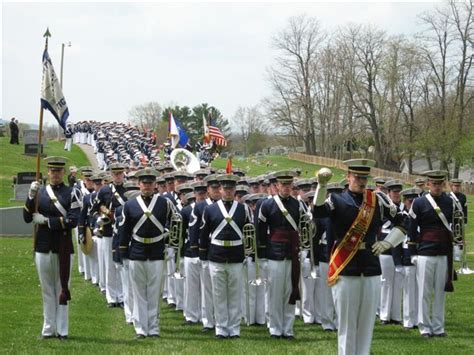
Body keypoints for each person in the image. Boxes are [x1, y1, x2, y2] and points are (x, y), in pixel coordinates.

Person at [312, 159, 406, 355]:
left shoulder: (377, 200)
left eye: (364, 177)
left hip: (371, 266)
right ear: (348, 177)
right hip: (346, 267)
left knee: (366, 324)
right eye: (357, 177)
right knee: (346, 323)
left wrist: (389, 242)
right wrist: (321, 185)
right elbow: (319, 210)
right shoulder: (336, 199)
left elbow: (402, 220)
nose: (361, 181)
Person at [23, 156, 80, 340]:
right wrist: (31, 196)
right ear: (47, 172)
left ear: (63, 173)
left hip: (63, 246)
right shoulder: (40, 193)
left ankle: (62, 330)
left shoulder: (72, 193)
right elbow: (26, 217)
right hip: (43, 246)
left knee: (62, 287)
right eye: (52, 171)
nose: (55, 174)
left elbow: (72, 220)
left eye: (58, 171)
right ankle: (48, 329)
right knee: (47, 289)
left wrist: (47, 221)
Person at [119, 168, 175, 338]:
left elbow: (176, 223)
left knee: (154, 292)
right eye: (144, 183)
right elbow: (124, 230)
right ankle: (140, 328)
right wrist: (123, 253)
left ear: (155, 185)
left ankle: (153, 327)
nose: (147, 186)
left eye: (150, 183)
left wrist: (171, 244)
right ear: (139, 184)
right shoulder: (130, 205)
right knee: (138, 293)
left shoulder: (164, 203)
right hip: (137, 252)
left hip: (157, 251)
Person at [199, 174, 251, 339]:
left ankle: (234, 329)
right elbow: (204, 234)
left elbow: (249, 232)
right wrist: (203, 257)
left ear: (235, 190)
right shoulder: (210, 209)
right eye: (225, 189)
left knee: (235, 294)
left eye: (231, 189)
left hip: (236, 256)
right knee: (219, 294)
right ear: (220, 190)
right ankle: (221, 328)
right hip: (216, 255)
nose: (228, 192)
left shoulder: (243, 209)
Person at [407, 170, 455, 338]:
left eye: (440, 184)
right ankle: (424, 327)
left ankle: (438, 327)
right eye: (434, 184)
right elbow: (411, 228)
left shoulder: (449, 202)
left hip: (443, 252)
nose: (437, 187)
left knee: (440, 291)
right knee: (424, 292)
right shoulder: (419, 203)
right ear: (428, 184)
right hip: (425, 251)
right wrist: (412, 252)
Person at [256, 170, 301, 340]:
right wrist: (263, 256)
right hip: (274, 253)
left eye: (289, 185)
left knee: (290, 291)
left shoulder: (297, 205)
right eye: (283, 185)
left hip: (292, 252)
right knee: (274, 292)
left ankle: (288, 328)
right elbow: (260, 231)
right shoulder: (267, 205)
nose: (286, 188)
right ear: (277, 186)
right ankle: (275, 327)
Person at [92, 162, 127, 307]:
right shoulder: (104, 190)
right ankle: (112, 297)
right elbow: (93, 209)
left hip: (124, 231)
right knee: (109, 264)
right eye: (115, 174)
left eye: (120, 174)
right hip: (107, 230)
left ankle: (124, 296)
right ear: (111, 175)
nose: (118, 176)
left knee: (122, 264)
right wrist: (99, 218)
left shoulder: (129, 189)